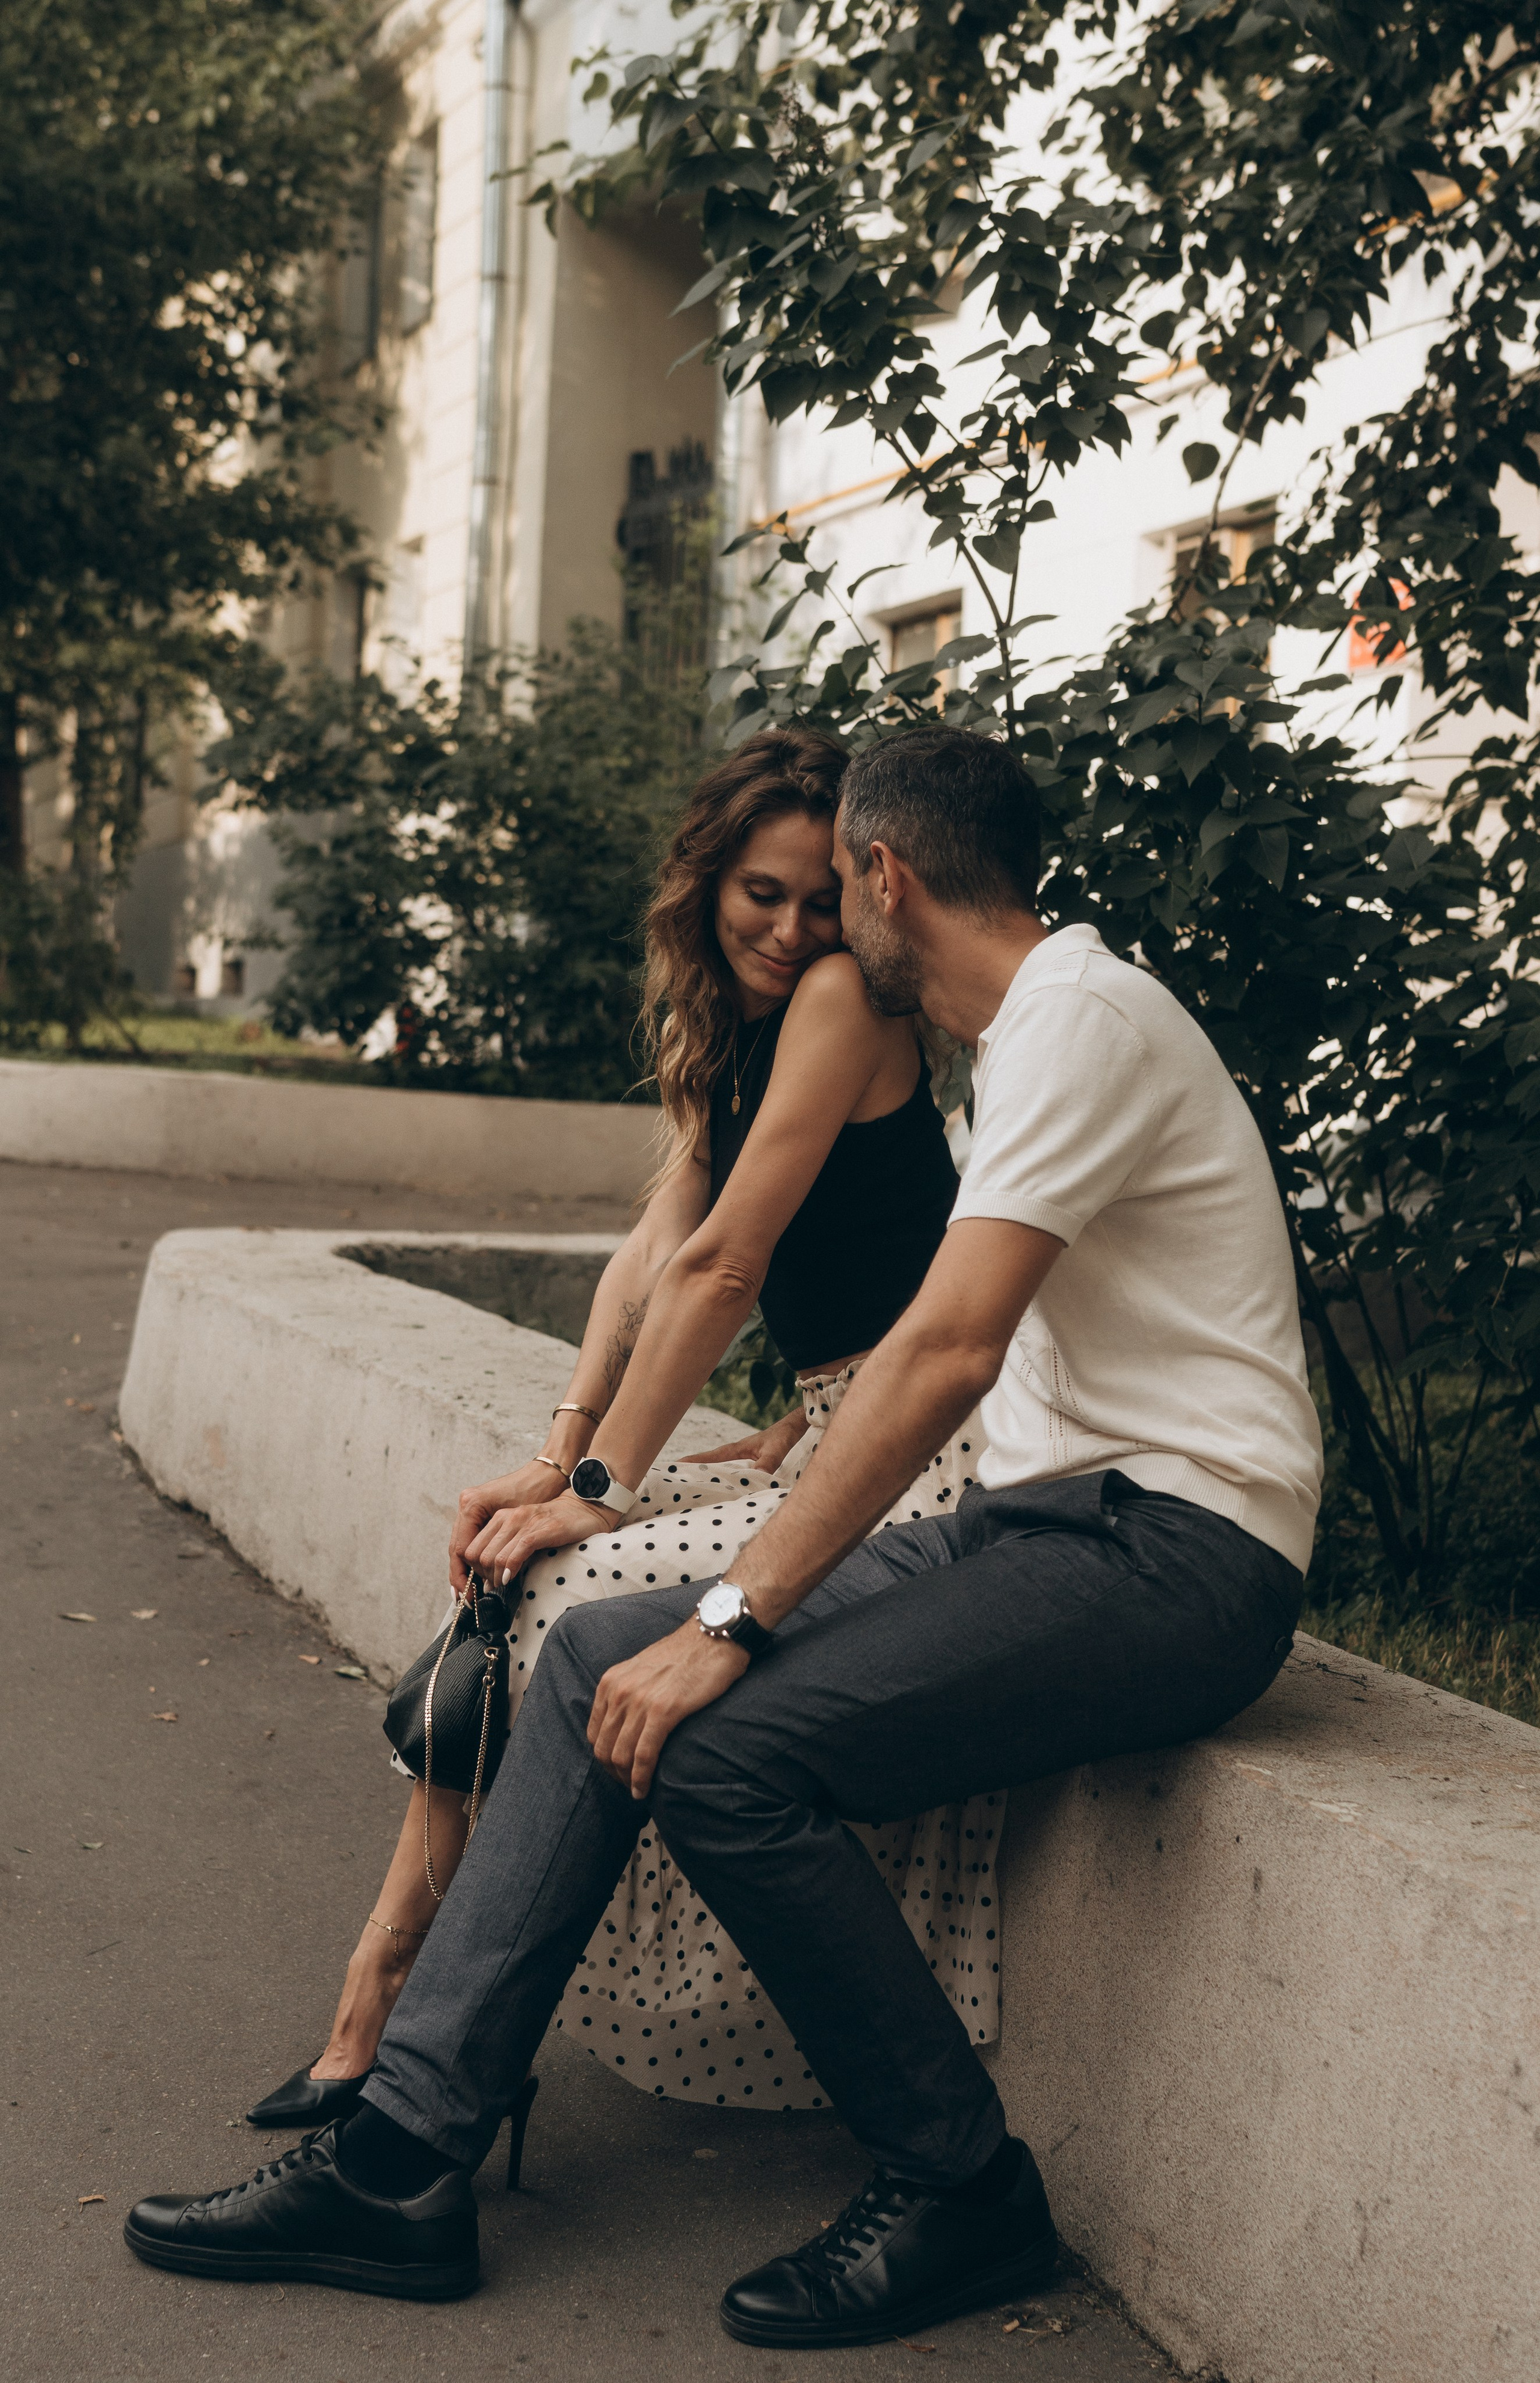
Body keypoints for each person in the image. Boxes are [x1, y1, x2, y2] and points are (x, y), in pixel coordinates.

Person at [126, 724, 1323, 2350]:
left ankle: (961, 2178)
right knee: (596, 1654)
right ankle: (403, 2155)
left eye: (838, 887)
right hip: (1047, 1520)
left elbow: (948, 1346)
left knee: (720, 1744)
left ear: (886, 875)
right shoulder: (1031, 1030)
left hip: (1174, 1557)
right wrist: (705, 1538)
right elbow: (898, 1332)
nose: (826, 926)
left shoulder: (1079, 1023)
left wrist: (741, 1613)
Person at [241, 720, 997, 2150]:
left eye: (817, 895)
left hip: (915, 1462)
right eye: (758, 892)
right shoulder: (737, 1032)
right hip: (833, 1434)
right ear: (707, 882)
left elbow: (726, 1265)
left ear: (860, 893)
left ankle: (394, 2010)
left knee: (548, 1582)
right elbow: (650, 1251)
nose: (789, 927)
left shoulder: (842, 997)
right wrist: (563, 1447)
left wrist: (599, 1491)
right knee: (501, 1560)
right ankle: (387, 2004)